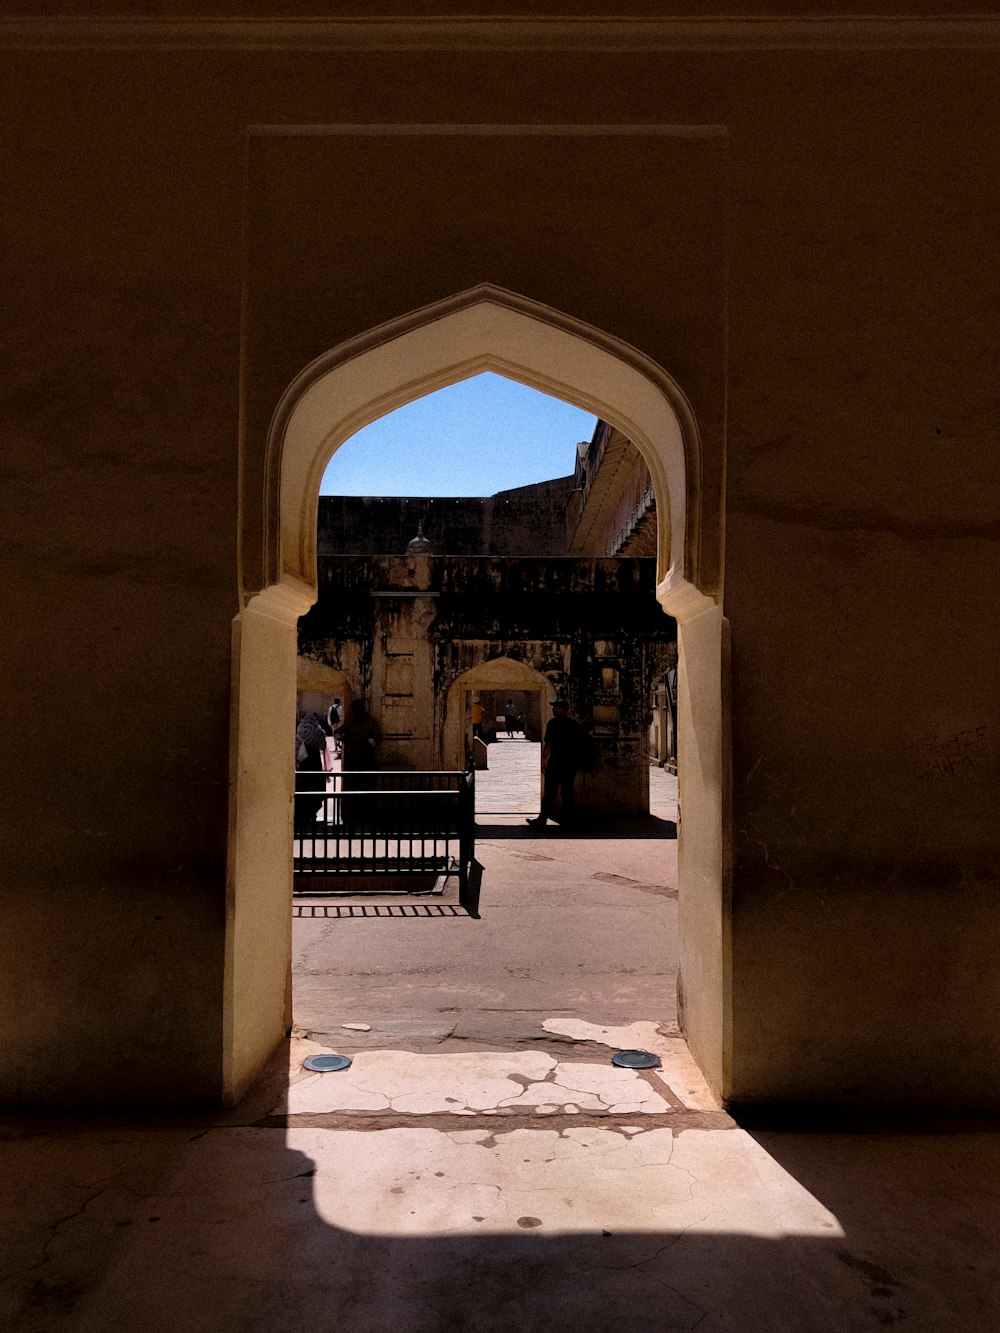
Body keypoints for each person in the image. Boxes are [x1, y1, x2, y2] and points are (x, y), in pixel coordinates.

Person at [527, 696, 583, 829]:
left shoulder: (553, 723)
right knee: (567, 792)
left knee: (550, 792)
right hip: (569, 764)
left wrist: (542, 760)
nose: (553, 709)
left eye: (555, 707)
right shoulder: (573, 725)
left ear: (561, 709)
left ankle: (542, 819)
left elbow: (548, 744)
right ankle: (567, 820)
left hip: (556, 762)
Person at [294, 711, 329, 831]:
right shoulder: (319, 732)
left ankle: (302, 815)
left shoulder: (300, 731)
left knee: (303, 789)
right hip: (315, 764)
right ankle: (312, 814)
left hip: (304, 765)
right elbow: (323, 746)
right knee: (315, 788)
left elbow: (296, 746)